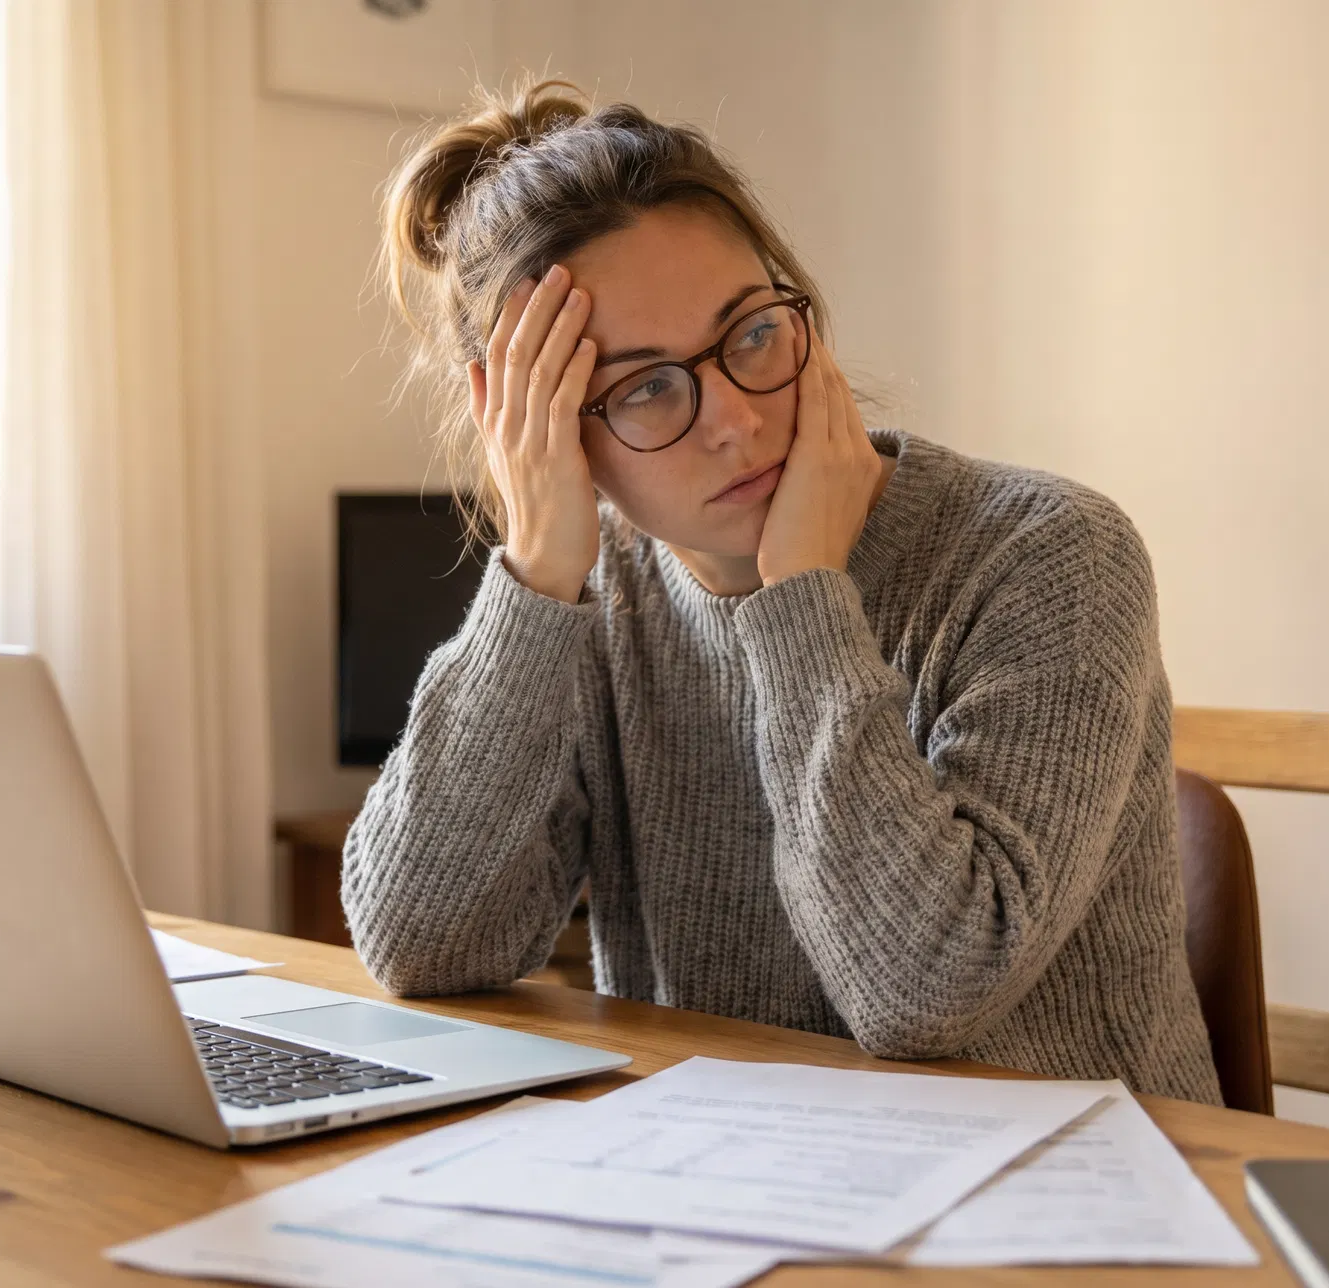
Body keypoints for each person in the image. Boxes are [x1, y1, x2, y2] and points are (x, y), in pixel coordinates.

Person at [342, 79, 1222, 1104]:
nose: (735, 420)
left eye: (752, 332)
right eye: (644, 387)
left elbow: (923, 994)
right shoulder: (593, 601)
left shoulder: (1052, 555)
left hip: (1074, 1214)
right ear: (545, 437)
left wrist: (802, 592)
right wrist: (536, 574)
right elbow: (422, 941)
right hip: (729, 1196)